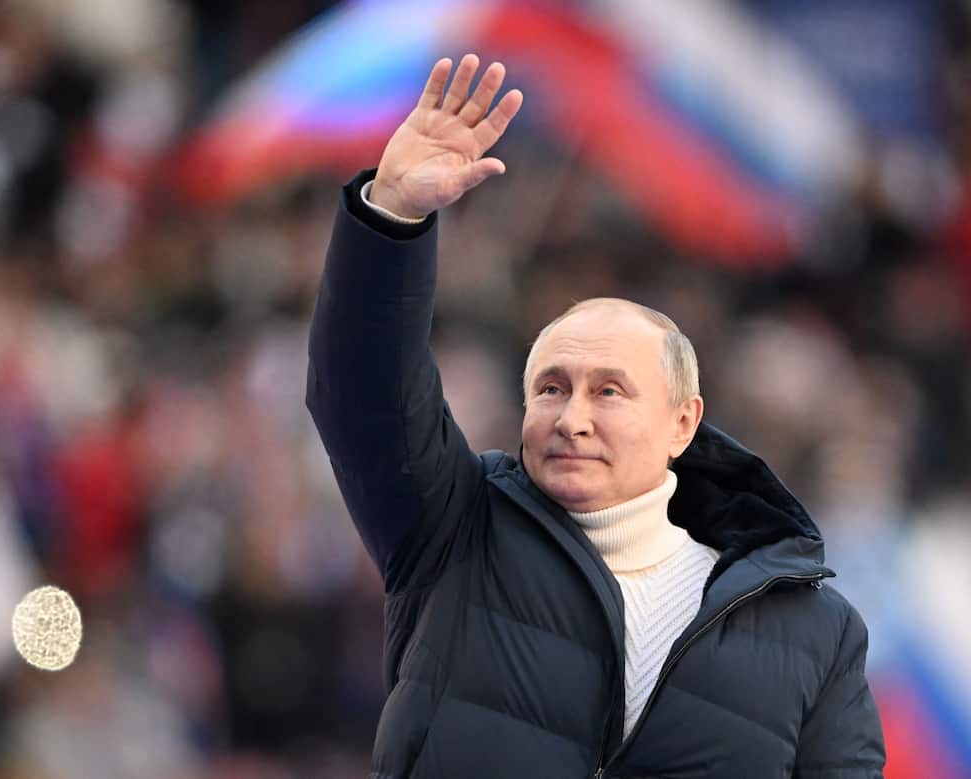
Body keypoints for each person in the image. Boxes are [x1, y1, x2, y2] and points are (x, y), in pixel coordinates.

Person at [306, 54, 885, 778]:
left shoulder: (817, 633)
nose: (572, 416)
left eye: (609, 391)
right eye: (551, 387)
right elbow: (362, 394)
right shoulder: (455, 526)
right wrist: (391, 213)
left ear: (684, 421)